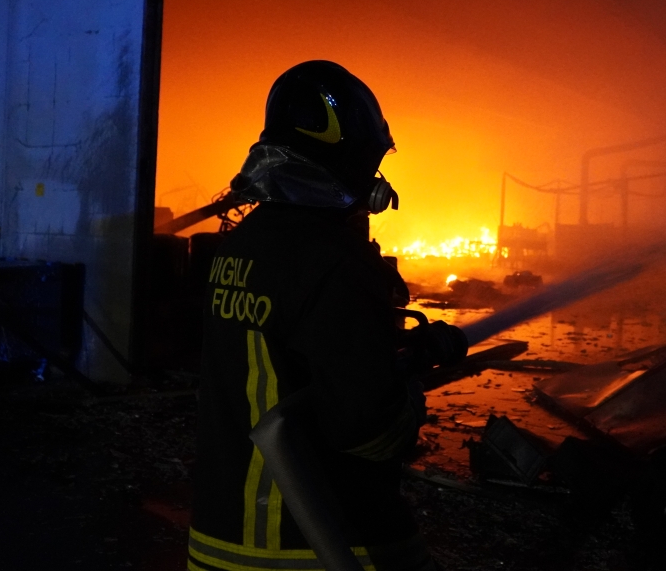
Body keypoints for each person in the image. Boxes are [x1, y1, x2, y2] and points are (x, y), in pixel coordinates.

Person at [188, 60, 467, 571]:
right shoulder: (337, 259)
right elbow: (371, 431)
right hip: (321, 544)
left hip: (219, 535)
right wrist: (408, 388)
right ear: (351, 159)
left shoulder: (239, 247)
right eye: (372, 159)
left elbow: (282, 360)